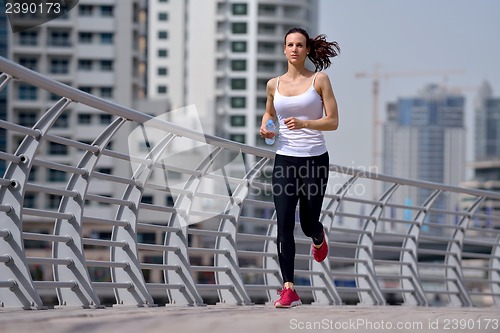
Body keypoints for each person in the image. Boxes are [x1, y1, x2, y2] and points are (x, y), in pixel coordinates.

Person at [260, 27, 340, 308]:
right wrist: (267, 127)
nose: (294, 49)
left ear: (307, 50)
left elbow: (333, 121)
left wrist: (306, 123)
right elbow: (270, 113)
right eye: (290, 45)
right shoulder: (274, 84)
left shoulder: (320, 80)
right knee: (283, 224)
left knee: (306, 223)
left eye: (299, 45)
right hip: (285, 159)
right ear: (284, 49)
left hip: (315, 160)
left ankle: (318, 236)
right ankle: (289, 289)